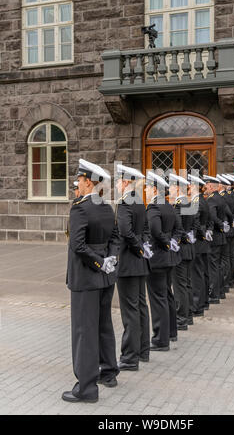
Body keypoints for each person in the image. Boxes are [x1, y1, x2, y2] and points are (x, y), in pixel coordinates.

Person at [62, 159, 120, 403]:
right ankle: (108, 373)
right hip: (105, 276)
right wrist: (109, 260)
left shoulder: (80, 208)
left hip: (87, 277)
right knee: (103, 325)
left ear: (88, 182)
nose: (78, 184)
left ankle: (86, 388)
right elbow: (116, 238)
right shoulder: (106, 206)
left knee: (84, 330)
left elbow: (77, 245)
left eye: (79, 181)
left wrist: (98, 261)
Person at [115, 164, 151, 371]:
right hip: (140, 261)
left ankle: (130, 357)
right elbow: (145, 229)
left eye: (119, 181)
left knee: (130, 311)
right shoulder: (139, 201)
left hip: (128, 262)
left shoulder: (126, 203)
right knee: (141, 307)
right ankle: (143, 350)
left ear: (126, 182)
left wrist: (138, 248)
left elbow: (125, 232)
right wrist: (143, 247)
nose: (117, 185)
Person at [145, 171, 182, 350]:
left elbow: (155, 231)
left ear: (154, 189)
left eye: (147, 188)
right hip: (168, 257)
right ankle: (171, 332)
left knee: (158, 298)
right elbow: (178, 229)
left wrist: (167, 243)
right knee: (167, 295)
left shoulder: (154, 208)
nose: (145, 191)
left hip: (157, 259)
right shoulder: (168, 206)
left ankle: (161, 339)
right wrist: (172, 243)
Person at [169, 173, 196, 330]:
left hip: (181, 249)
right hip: (189, 249)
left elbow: (178, 229)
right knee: (187, 284)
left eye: (171, 187)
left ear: (178, 188)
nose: (169, 189)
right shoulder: (189, 203)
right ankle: (189, 315)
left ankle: (181, 319)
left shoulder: (179, 205)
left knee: (180, 286)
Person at [188, 175, 213, 316]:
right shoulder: (203, 200)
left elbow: (195, 222)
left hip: (198, 242)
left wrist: (199, 234)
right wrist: (206, 232)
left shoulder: (196, 201)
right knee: (203, 273)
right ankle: (204, 302)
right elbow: (209, 220)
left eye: (190, 185)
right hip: (203, 242)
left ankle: (197, 305)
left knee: (196, 275)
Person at [203, 175, 229, 304]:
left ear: (212, 187)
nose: (205, 188)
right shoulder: (220, 197)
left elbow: (212, 216)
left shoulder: (211, 200)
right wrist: (223, 225)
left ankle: (214, 294)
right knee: (218, 266)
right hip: (221, 236)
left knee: (213, 267)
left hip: (215, 237)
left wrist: (220, 225)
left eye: (207, 186)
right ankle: (220, 291)